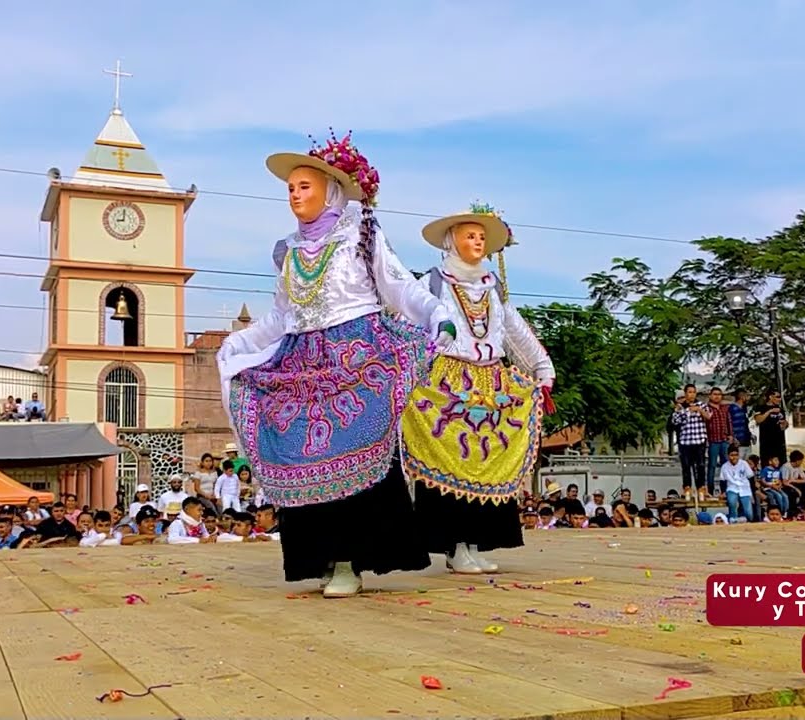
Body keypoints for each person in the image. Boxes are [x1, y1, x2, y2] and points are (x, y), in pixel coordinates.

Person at [216, 131, 454, 598]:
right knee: (301, 453)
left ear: (329, 190)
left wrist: (437, 314)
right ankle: (320, 558)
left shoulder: (360, 236)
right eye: (290, 188)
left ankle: (349, 560)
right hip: (301, 359)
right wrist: (241, 342)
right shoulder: (289, 252)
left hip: (359, 356)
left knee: (352, 449)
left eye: (304, 186)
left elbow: (399, 286)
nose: (294, 195)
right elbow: (281, 316)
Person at [400, 203, 554, 574]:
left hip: (492, 382)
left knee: (486, 459)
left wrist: (541, 366)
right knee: (453, 460)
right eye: (470, 235)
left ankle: (474, 543)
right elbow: (408, 322)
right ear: (452, 241)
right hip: (448, 384)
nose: (478, 242)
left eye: (482, 237)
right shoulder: (433, 283)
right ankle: (455, 546)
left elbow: (512, 328)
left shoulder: (492, 286)